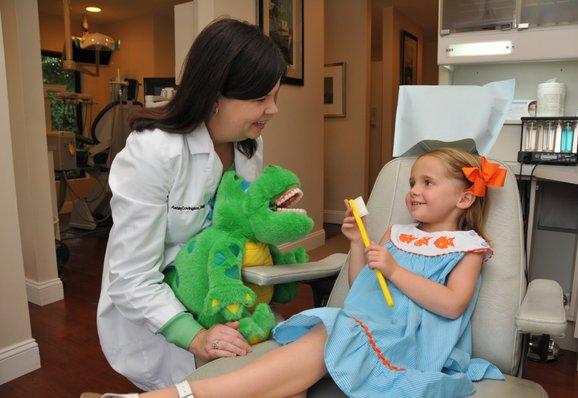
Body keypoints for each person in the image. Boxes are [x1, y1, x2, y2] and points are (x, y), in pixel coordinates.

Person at [97, 148, 508, 398]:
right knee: (295, 372)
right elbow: (363, 281)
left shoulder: (469, 248)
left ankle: (175, 395)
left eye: (428, 182)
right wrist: (355, 245)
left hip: (407, 341)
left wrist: (397, 272)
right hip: (368, 322)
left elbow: (453, 306)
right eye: (414, 180)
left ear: (466, 196)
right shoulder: (398, 233)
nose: (414, 190)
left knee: (320, 343)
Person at [96, 18, 286, 391]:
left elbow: (234, 226)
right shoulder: (153, 152)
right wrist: (197, 337)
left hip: (218, 295)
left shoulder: (249, 146)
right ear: (215, 94)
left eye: (275, 96)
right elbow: (131, 278)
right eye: (261, 98)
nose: (273, 110)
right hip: (162, 314)